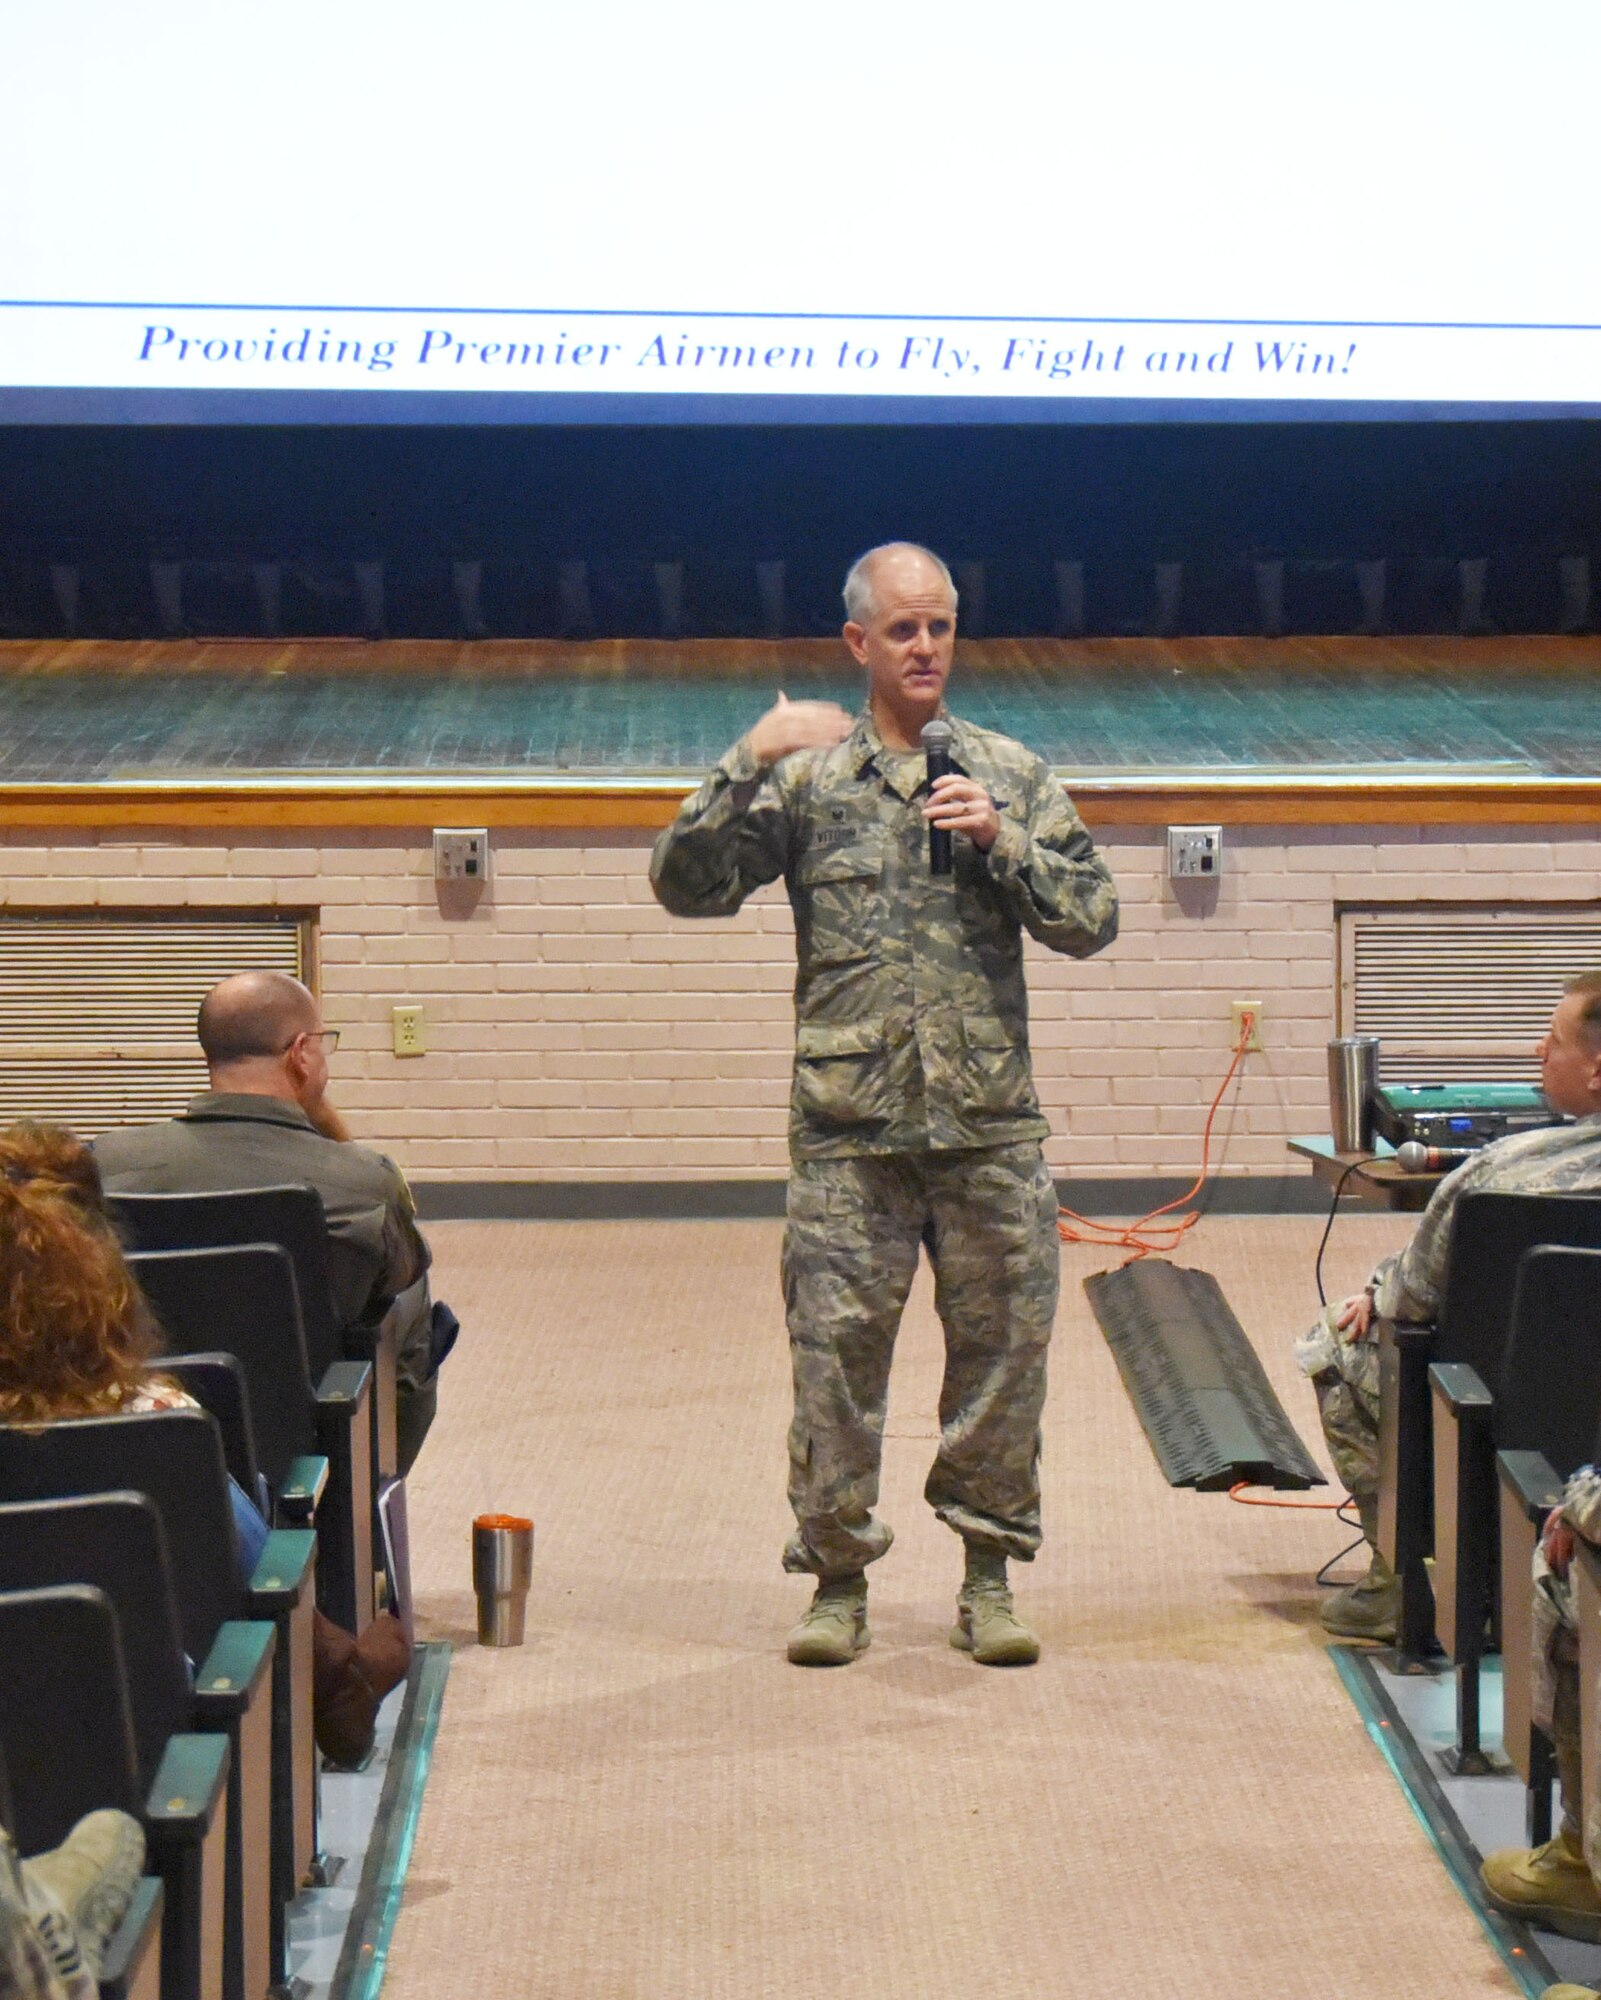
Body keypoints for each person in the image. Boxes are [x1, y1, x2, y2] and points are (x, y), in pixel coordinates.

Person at [650, 541, 1118, 1667]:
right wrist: (743, 756)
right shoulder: (809, 781)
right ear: (857, 642)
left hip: (987, 1130)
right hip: (849, 1134)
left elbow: (1091, 916)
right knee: (834, 1362)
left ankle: (988, 1575)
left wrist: (1001, 842)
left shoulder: (1006, 770)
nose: (924, 648)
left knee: (1003, 1360)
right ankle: (835, 1579)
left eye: (940, 627)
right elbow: (685, 884)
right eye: (902, 630)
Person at [0, 1121, 409, 1765]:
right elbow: (244, 1582)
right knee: (223, 1516)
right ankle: (334, 1671)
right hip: (132, 1746)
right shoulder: (155, 1423)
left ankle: (337, 1670)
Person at [1295, 971, 1601, 1642]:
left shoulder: (1495, 1173)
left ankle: (1401, 1586)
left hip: (1490, 1402)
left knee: (1337, 1339)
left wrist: (1372, 1295)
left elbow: (1412, 1297)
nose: (1536, 1053)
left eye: (1551, 1040)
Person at [94, 970, 452, 1475]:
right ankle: (370, 1485)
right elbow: (392, 1278)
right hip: (300, 1425)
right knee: (407, 1294)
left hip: (148, 1411)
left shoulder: (108, 1164)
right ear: (301, 1053)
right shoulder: (361, 1182)